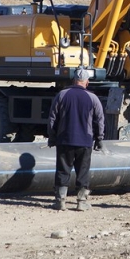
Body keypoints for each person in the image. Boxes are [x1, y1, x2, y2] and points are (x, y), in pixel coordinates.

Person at [46, 67, 105, 212]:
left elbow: (52, 119)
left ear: (73, 80)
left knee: (62, 170)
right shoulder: (93, 98)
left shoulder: (62, 95)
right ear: (87, 82)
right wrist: (99, 139)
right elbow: (100, 120)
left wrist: (52, 137)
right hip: (85, 141)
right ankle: (81, 202)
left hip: (64, 140)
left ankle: (61, 201)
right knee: (83, 171)